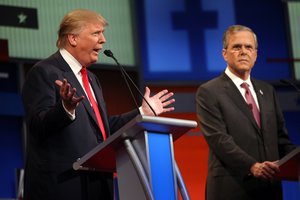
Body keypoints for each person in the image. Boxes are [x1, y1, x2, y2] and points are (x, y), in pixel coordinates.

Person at [21, 9, 175, 200]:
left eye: (102, 33)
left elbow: (102, 131)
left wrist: (141, 112)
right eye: (96, 33)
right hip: (63, 188)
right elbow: (38, 125)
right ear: (73, 38)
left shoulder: (92, 79)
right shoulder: (45, 72)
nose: (103, 40)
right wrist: (65, 109)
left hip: (98, 185)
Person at [195, 25, 297, 200]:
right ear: (224, 54)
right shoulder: (209, 91)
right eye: (236, 47)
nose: (243, 51)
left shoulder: (267, 90)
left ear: (255, 55)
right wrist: (252, 166)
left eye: (248, 47)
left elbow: (280, 139)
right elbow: (219, 140)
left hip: (269, 190)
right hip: (232, 189)